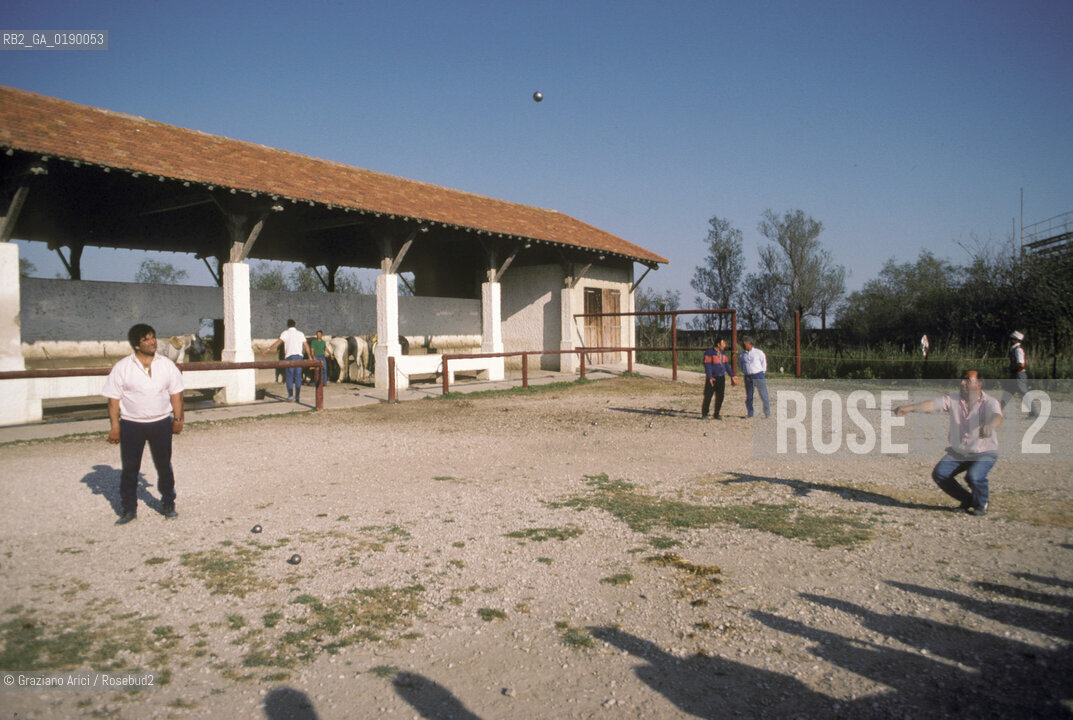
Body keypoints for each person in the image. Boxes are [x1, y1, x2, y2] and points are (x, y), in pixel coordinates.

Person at [102, 324, 185, 525]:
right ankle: (129, 509)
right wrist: (115, 427)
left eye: (153, 337)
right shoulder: (123, 367)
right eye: (146, 339)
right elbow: (113, 399)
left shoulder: (166, 365)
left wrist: (178, 419)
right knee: (130, 468)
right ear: (137, 345)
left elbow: (176, 393)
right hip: (132, 425)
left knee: (164, 466)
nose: (152, 342)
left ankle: (168, 504)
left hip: (161, 424)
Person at [894, 370, 1003, 516]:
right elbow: (932, 405)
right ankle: (968, 500)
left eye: (967, 380)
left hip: (984, 452)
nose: (962, 383)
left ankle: (982, 503)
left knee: (974, 476)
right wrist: (909, 408)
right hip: (961, 451)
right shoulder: (953, 398)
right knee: (940, 474)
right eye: (962, 380)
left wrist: (990, 425)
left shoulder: (990, 402)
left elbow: (997, 416)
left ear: (979, 384)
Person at [261, 319, 312, 402]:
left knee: (289, 377)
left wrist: (268, 350)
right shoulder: (300, 334)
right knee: (298, 377)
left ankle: (291, 396)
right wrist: (310, 356)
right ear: (295, 324)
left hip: (289, 358)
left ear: (288, 325)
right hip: (299, 357)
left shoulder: (285, 333)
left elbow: (278, 343)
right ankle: (298, 396)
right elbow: (306, 346)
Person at [701, 338, 737, 420]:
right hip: (713, 378)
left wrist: (732, 375)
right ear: (718, 344)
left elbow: (726, 365)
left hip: (721, 377)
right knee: (708, 396)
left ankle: (716, 414)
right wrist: (710, 377)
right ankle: (704, 413)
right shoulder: (709, 352)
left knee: (720, 396)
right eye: (723, 343)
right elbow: (708, 366)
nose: (725, 345)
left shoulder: (724, 353)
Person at [738, 336, 769, 418]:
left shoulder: (759, 353)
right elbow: (741, 364)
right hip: (748, 377)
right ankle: (750, 413)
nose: (743, 346)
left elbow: (763, 362)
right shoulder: (742, 355)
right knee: (749, 395)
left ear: (750, 344)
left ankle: (767, 413)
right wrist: (745, 371)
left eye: (745, 344)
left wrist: (762, 372)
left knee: (763, 394)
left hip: (758, 375)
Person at [1008, 330, 1035, 416]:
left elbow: (1021, 364)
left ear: (1016, 340)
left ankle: (1034, 412)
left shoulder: (1018, 350)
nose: (1011, 340)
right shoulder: (1015, 349)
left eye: (1012, 339)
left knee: (1023, 393)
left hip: (1018, 374)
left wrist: (1011, 368)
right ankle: (997, 412)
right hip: (1016, 374)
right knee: (1007, 393)